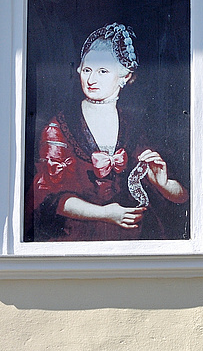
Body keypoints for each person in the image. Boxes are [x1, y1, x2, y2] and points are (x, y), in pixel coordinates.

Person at [29, 22, 188, 242]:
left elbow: (183, 198)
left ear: (125, 77)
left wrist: (162, 183)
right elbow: (47, 198)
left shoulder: (133, 126)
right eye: (87, 70)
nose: (91, 79)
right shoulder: (58, 128)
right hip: (75, 240)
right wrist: (106, 214)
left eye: (102, 71)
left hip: (133, 241)